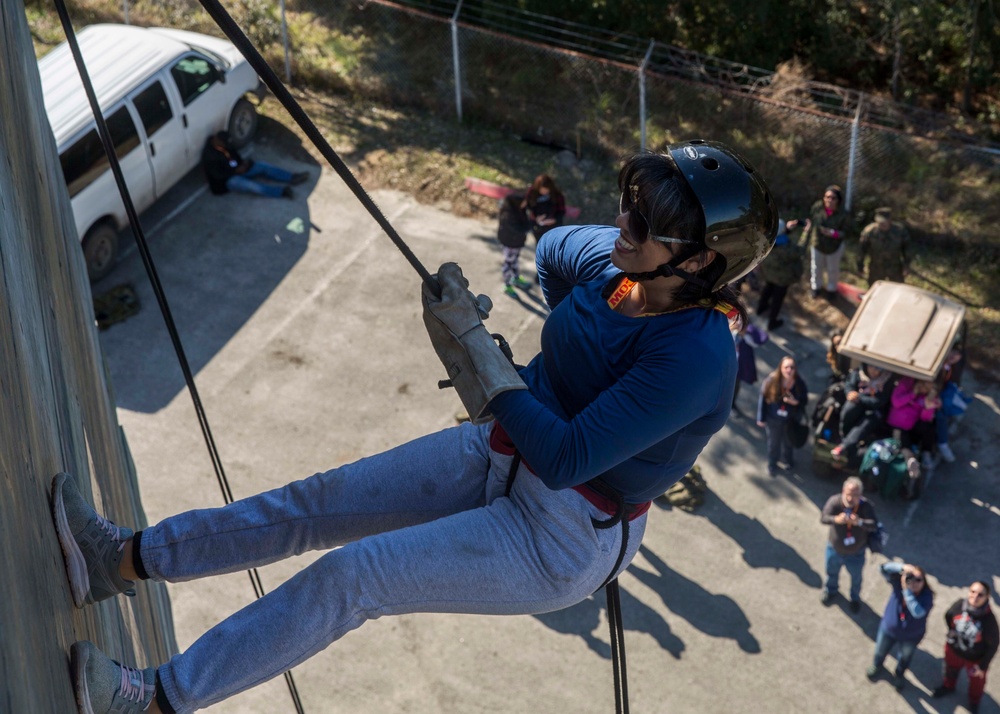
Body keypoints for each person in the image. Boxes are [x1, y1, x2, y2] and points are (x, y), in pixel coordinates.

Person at [53, 140, 778, 714]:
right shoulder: (612, 267)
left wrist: (492, 372)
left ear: (701, 260)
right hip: (504, 446)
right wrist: (531, 372)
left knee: (353, 576)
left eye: (647, 224)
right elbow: (557, 253)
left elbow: (567, 455)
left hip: (560, 529)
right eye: (629, 205)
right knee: (310, 504)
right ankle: (116, 562)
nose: (625, 225)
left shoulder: (697, 355)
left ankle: (157, 702)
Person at [932, 581, 998, 714]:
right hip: (953, 651)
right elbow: (948, 616)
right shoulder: (959, 605)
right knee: (950, 671)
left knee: (976, 684)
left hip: (975, 660)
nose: (975, 596)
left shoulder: (989, 621)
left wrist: (982, 666)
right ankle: (948, 687)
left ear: (987, 598)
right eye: (972, 592)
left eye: (980, 594)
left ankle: (974, 702)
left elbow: (993, 645)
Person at [867, 562, 934, 690]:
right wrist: (901, 568)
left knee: (904, 657)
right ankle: (877, 665)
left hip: (910, 636)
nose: (914, 582)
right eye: (910, 578)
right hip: (888, 629)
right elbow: (882, 569)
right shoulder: (898, 584)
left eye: (918, 579)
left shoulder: (927, 596)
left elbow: (917, 612)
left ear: (924, 582)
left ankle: (899, 674)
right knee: (880, 651)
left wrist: (906, 591)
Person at [820, 476, 878, 612]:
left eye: (856, 495)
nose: (851, 498)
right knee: (831, 573)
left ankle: (855, 598)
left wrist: (859, 522)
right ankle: (830, 591)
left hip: (856, 553)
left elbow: (874, 525)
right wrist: (836, 519)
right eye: (849, 494)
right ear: (843, 491)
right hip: (834, 549)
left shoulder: (866, 506)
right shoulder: (835, 501)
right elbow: (823, 517)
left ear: (861, 495)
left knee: (856, 578)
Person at [201, 131, 308, 199]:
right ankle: (282, 192)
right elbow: (217, 175)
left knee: (262, 166)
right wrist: (235, 171)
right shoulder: (209, 155)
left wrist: (243, 165)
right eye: (225, 144)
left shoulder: (226, 146)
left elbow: (235, 156)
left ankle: (291, 177)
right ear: (217, 141)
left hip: (237, 169)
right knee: (252, 186)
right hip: (227, 180)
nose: (227, 146)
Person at [830, 364, 893, 465]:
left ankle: (844, 446)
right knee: (849, 408)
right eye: (873, 366)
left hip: (873, 409)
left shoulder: (886, 380)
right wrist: (850, 393)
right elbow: (849, 385)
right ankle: (844, 436)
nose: (875, 371)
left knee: (866, 423)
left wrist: (859, 397)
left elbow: (879, 402)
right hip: (857, 403)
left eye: (879, 368)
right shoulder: (858, 373)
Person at [756, 356, 808, 476]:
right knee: (773, 444)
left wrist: (796, 402)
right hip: (773, 420)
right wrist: (761, 418)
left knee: (789, 442)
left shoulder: (799, 383)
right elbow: (762, 399)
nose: (789, 370)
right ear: (781, 368)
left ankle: (789, 461)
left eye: (792, 367)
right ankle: (772, 464)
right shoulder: (771, 381)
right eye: (786, 367)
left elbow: (804, 400)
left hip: (791, 420)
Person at [756, 217, 806, 330]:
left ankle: (761, 308)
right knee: (777, 299)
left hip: (768, 273)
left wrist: (786, 229)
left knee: (767, 289)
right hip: (782, 278)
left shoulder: (764, 240)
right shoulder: (786, 247)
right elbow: (800, 250)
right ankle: (772, 322)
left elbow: (777, 236)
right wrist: (806, 233)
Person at [803, 184, 852, 299]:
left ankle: (831, 289)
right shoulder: (818, 207)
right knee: (816, 267)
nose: (829, 200)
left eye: (833, 198)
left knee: (832, 269)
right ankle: (816, 287)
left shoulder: (843, 214)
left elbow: (847, 232)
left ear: (838, 200)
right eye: (827, 197)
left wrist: (834, 233)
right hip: (818, 243)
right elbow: (811, 218)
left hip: (834, 246)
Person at [887, 377, 941, 470]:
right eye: (924, 385)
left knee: (928, 427)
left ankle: (926, 453)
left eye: (928, 389)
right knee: (901, 439)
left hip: (912, 426)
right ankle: (910, 460)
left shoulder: (928, 397)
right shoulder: (906, 384)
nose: (924, 389)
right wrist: (912, 394)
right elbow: (896, 402)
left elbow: (925, 418)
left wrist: (927, 408)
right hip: (897, 424)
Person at [857, 207, 909, 286]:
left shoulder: (899, 231)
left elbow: (907, 249)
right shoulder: (869, 232)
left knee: (896, 290)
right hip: (876, 268)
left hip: (894, 268)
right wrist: (860, 267)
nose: (882, 224)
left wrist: (906, 266)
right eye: (879, 222)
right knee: (875, 290)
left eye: (884, 222)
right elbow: (861, 250)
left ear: (890, 221)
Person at [496, 193, 535, 295]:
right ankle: (507, 285)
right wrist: (533, 224)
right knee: (508, 263)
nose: (525, 204)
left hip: (517, 242)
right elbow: (520, 229)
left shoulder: (519, 210)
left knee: (515, 261)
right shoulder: (508, 214)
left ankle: (516, 278)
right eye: (523, 202)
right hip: (510, 243)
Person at [522, 174, 566, 242]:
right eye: (542, 190)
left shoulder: (557, 195)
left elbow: (562, 211)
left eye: (546, 190)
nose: (544, 192)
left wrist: (554, 220)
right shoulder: (532, 193)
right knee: (540, 243)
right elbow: (528, 208)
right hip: (537, 226)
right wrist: (536, 218)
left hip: (553, 226)